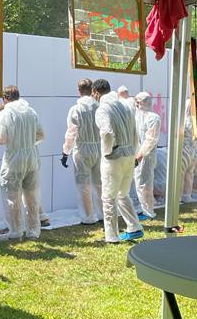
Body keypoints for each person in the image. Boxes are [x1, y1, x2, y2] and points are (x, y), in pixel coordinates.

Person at [93, 78, 142, 243]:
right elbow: (135, 132)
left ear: (95, 93)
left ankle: (112, 236)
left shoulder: (103, 109)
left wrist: (108, 151)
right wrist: (133, 152)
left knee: (108, 197)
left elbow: (106, 133)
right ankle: (134, 226)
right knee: (122, 194)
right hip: (129, 154)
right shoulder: (124, 105)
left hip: (114, 157)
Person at [0, 85, 44, 241]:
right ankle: (33, 230)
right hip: (31, 156)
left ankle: (16, 231)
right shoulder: (31, 111)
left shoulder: (5, 113)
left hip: (13, 158)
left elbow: (1, 139)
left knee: (12, 196)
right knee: (32, 195)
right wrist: (28, 142)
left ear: (4, 99)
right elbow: (41, 135)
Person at [61, 78, 102, 225]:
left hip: (82, 149)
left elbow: (71, 133)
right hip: (98, 148)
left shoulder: (76, 109)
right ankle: (103, 214)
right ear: (92, 90)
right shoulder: (99, 107)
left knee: (83, 185)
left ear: (78, 91)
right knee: (99, 184)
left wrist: (65, 152)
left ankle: (88, 217)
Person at [132, 91, 161, 220]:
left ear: (146, 102)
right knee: (139, 182)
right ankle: (144, 208)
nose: (137, 104)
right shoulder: (138, 116)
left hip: (147, 156)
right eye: (136, 101)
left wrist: (140, 155)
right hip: (137, 155)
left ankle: (149, 211)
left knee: (145, 183)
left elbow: (151, 140)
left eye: (139, 102)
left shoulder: (153, 118)